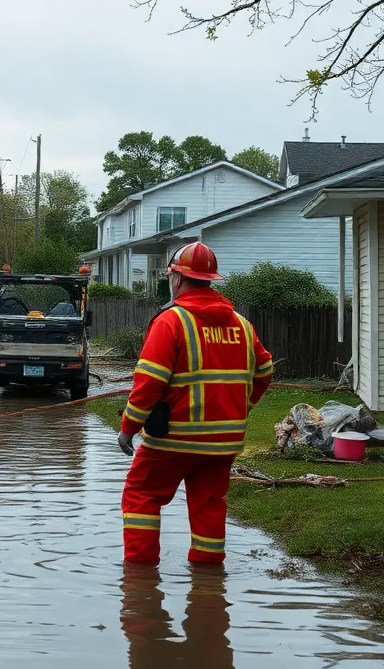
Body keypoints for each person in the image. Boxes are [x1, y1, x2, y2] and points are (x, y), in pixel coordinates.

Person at [117, 241, 272, 566]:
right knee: (209, 504)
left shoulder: (171, 321)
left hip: (173, 440)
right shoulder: (242, 325)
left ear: (177, 278)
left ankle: (140, 579)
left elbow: (149, 384)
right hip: (223, 442)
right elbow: (265, 370)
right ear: (211, 279)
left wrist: (128, 427)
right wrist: (243, 408)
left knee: (141, 495)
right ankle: (208, 578)